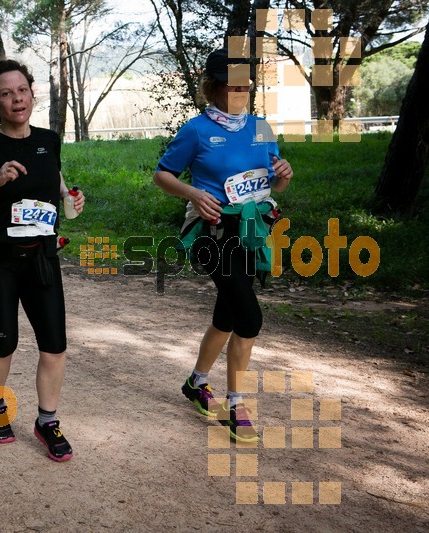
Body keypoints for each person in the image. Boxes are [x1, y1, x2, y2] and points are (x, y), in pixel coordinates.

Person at [152, 48, 293, 442]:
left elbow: (274, 181)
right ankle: (235, 405)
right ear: (212, 87)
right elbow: (162, 175)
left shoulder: (261, 127)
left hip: (251, 232)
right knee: (250, 319)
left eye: (245, 87)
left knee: (228, 316)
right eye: (232, 86)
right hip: (210, 233)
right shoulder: (196, 130)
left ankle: (197, 382)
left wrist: (284, 174)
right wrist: (193, 194)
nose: (239, 93)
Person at [0, 58, 85, 462]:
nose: (15, 100)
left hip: (40, 257)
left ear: (31, 92)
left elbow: (53, 177)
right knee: (4, 342)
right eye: (5, 94)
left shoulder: (48, 140)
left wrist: (67, 196)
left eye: (21, 90)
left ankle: (47, 420)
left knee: (55, 346)